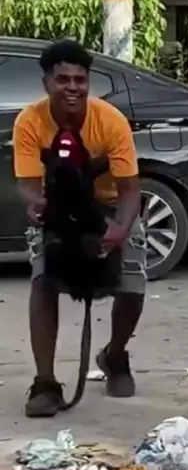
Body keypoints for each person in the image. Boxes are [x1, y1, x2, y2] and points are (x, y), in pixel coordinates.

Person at [13, 39, 146, 417]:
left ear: (88, 82)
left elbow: (131, 190)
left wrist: (121, 229)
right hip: (57, 204)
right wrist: (35, 204)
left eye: (80, 79)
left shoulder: (111, 121)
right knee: (42, 279)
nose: (72, 87)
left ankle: (115, 354)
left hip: (108, 204)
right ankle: (45, 382)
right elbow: (27, 183)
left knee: (133, 282)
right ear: (46, 83)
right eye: (63, 79)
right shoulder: (29, 122)